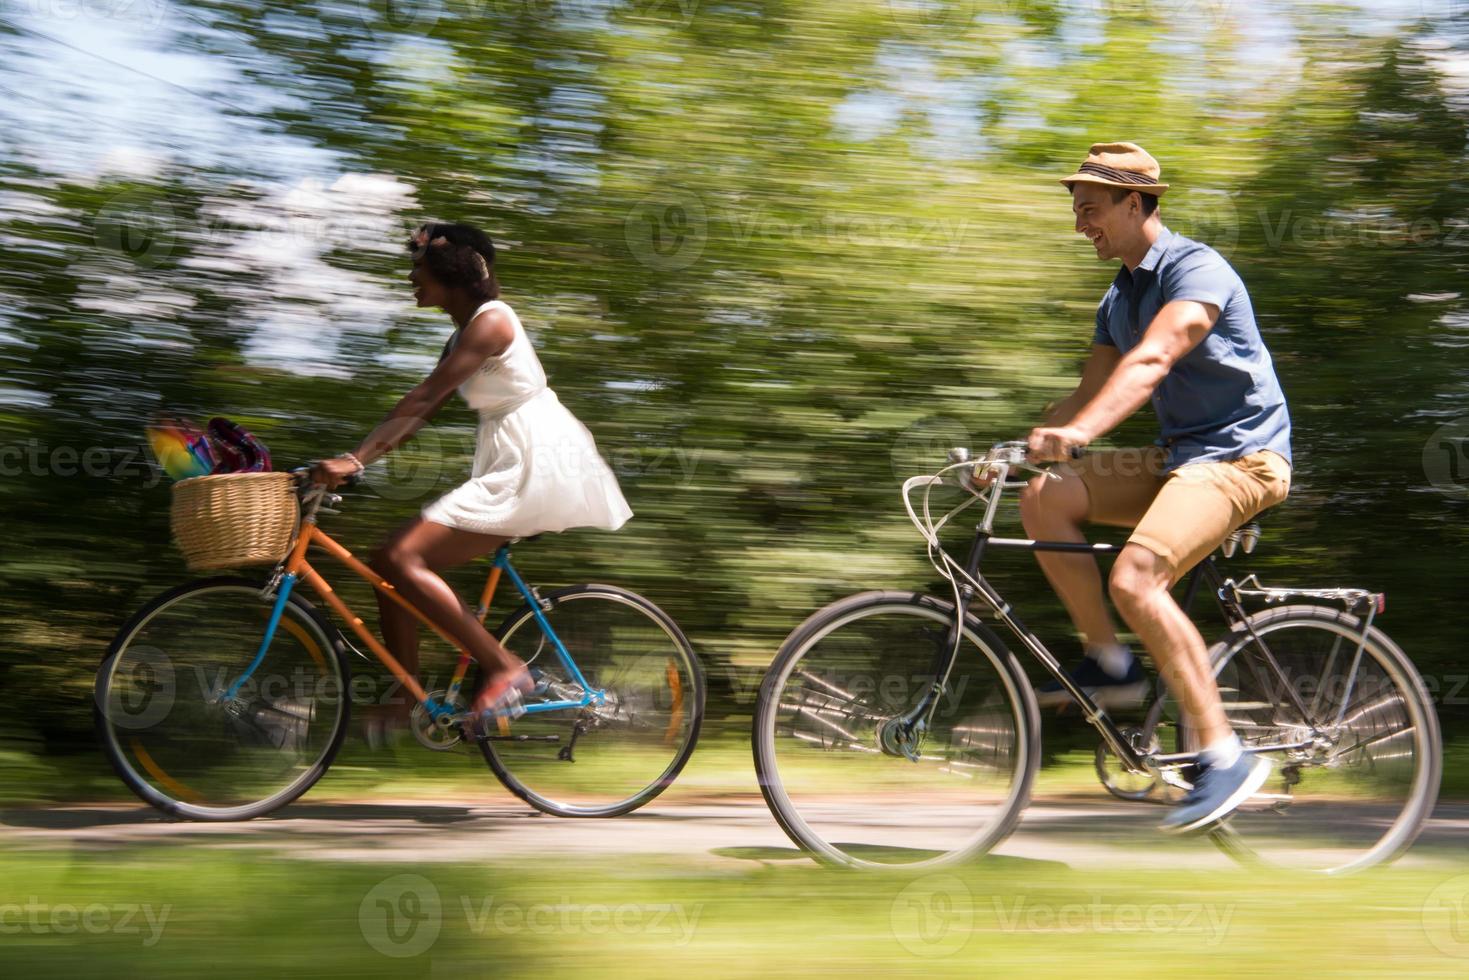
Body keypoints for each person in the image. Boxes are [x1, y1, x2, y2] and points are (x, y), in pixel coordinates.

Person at [1018, 142, 1293, 833]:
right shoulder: (1119, 296)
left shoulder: (1195, 268)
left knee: (1136, 577)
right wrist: (1015, 451)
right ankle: (1110, 663)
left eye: (1090, 209)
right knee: (1044, 495)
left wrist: (1078, 436)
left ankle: (1223, 753)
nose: (1080, 222)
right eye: (1075, 210)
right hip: (1180, 460)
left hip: (1242, 460)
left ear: (1134, 203)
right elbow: (1086, 393)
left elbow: (1152, 361)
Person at [310, 222, 631, 737]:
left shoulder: (492, 323)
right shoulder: (462, 334)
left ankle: (506, 667)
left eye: (419, 268)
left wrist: (357, 459)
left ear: (450, 272)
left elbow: (423, 398)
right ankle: (405, 694)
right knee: (388, 561)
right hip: (511, 456)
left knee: (400, 555)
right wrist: (358, 457)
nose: (412, 277)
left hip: (535, 459)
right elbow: (420, 409)